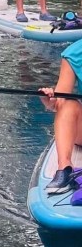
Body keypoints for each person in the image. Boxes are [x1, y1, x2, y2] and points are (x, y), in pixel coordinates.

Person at [40, 43, 82, 193]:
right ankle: (64, 169)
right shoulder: (74, 53)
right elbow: (60, 101)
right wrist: (50, 103)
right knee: (68, 103)